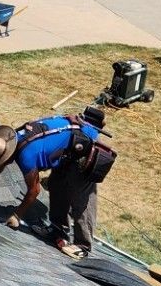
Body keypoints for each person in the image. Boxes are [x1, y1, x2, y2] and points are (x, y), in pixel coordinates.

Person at [0, 113, 100, 231]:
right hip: (72, 138)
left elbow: (34, 191)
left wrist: (17, 215)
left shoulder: (26, 157)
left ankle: (82, 245)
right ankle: (58, 229)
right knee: (55, 186)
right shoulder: (13, 136)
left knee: (79, 199)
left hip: (87, 147)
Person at [46, 106, 113, 257]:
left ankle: (83, 245)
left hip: (83, 168)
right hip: (67, 162)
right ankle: (57, 228)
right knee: (58, 189)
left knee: (83, 203)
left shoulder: (91, 136)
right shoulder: (75, 128)